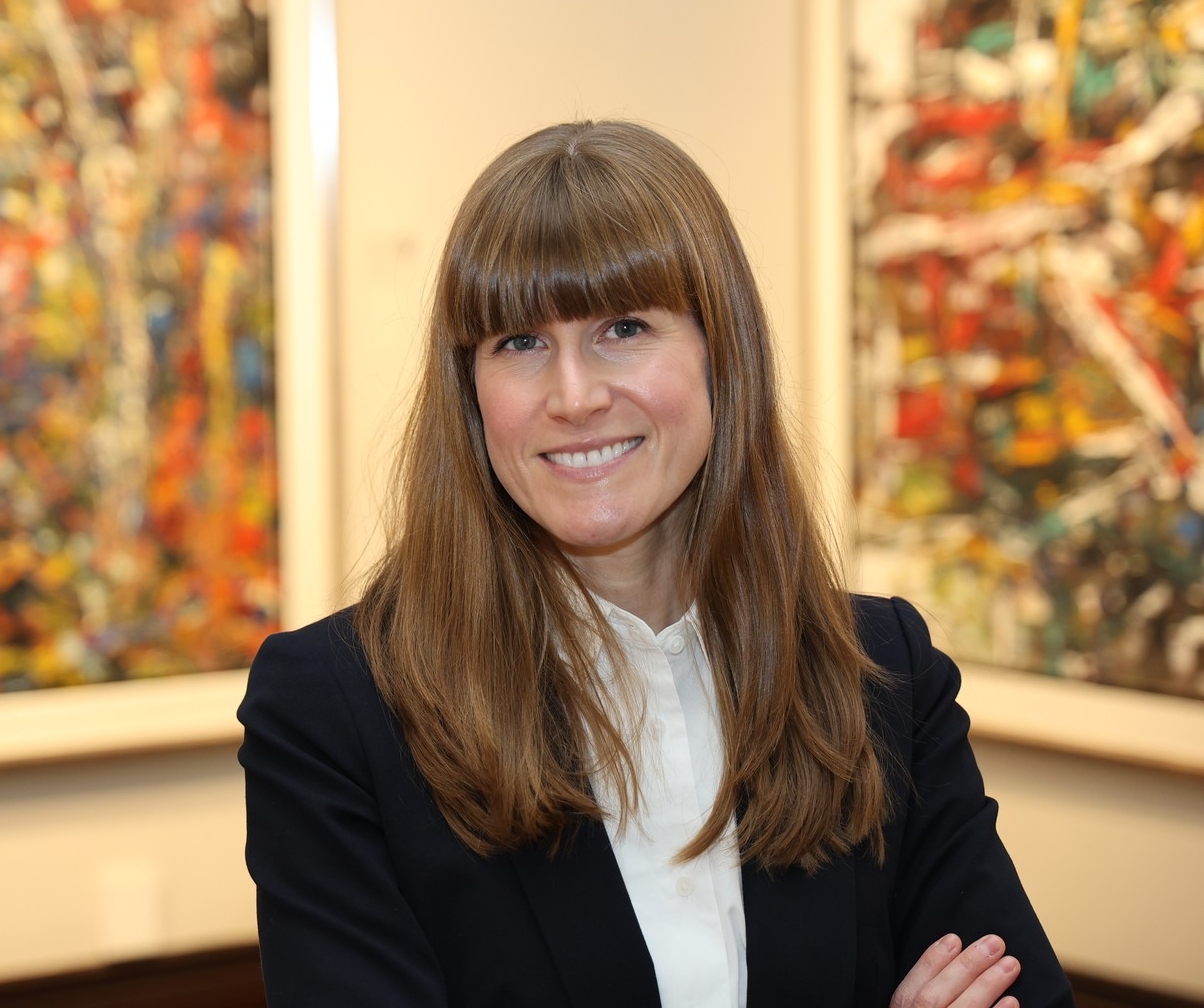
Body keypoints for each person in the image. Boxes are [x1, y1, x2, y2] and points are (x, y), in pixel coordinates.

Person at [238, 120, 1073, 1007]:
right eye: (520, 343)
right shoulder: (334, 711)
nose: (575, 396)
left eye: (624, 328)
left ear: (723, 353)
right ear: (470, 392)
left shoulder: (883, 674)